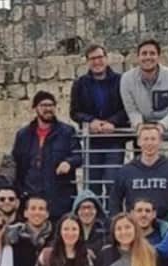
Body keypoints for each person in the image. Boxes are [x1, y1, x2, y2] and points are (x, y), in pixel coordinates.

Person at [12, 90, 82, 221]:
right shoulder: (23, 135)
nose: (48, 109)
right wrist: (20, 193)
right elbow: (17, 165)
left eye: (51, 105)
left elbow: (78, 155)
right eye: (43, 105)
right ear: (35, 108)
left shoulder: (67, 131)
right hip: (31, 198)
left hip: (59, 197)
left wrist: (69, 162)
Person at [70, 43, 129, 195]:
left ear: (107, 58)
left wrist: (112, 122)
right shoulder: (80, 84)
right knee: (92, 186)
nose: (97, 62)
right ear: (87, 62)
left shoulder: (121, 81)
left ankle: (113, 217)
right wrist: (91, 121)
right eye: (92, 58)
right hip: (92, 141)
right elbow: (74, 112)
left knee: (112, 183)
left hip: (114, 140)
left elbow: (127, 108)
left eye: (100, 57)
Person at [108, 124, 168, 218]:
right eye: (145, 139)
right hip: (134, 226)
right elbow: (115, 201)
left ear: (160, 141)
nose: (149, 143)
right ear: (138, 142)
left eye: (153, 139)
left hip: (164, 226)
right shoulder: (125, 171)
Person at [120, 39, 168, 136]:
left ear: (158, 57)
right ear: (138, 57)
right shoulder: (126, 79)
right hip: (140, 133)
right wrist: (139, 126)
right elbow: (131, 110)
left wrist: (162, 126)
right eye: (144, 53)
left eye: (152, 53)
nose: (148, 57)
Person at [72, 189, 108, 253]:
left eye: (90, 207)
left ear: (97, 210)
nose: (86, 211)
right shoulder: (69, 230)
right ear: (76, 211)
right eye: (83, 208)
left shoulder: (106, 230)